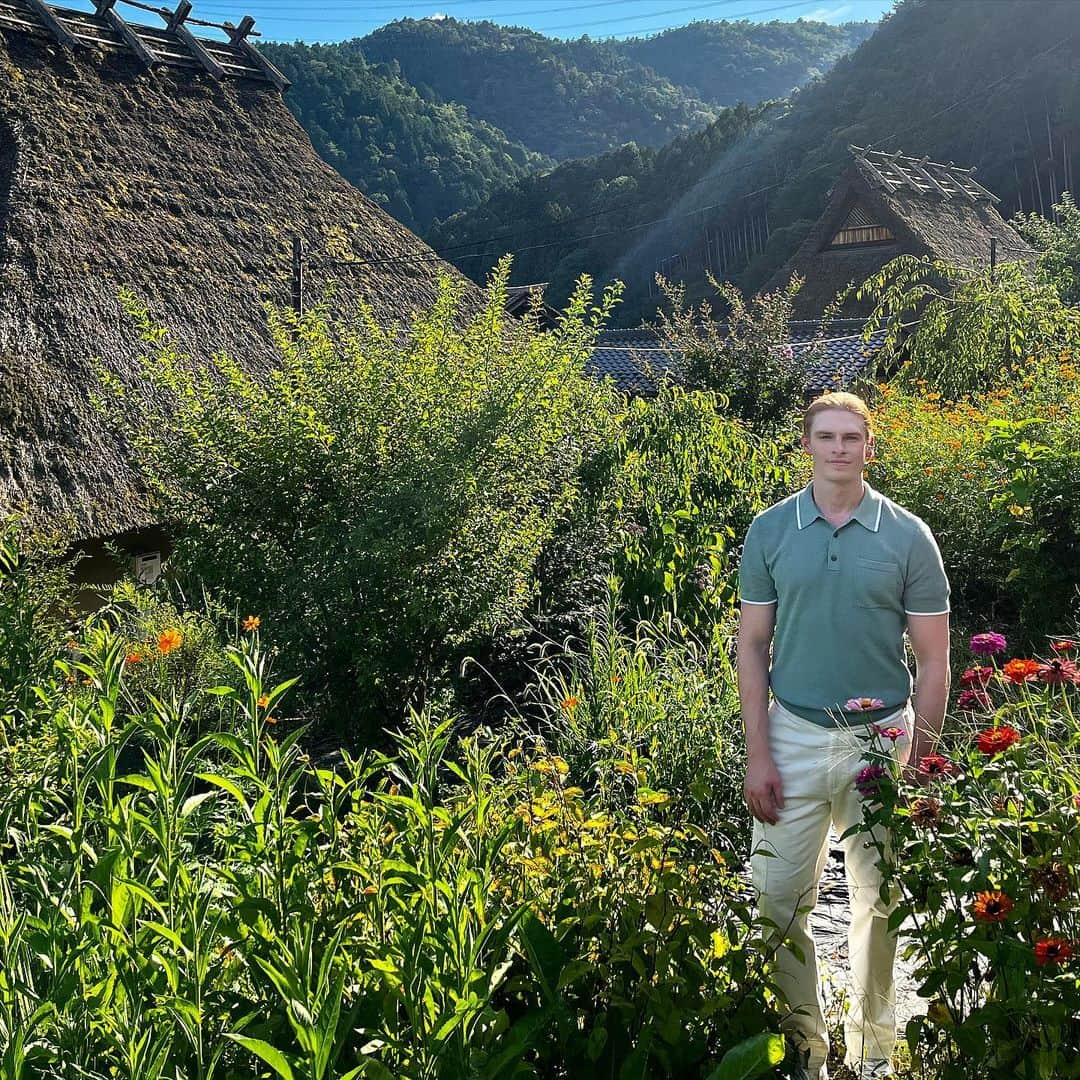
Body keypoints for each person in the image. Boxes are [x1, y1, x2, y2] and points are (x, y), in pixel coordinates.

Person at [736, 392, 951, 1080]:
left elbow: (935, 657)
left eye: (851, 437)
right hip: (792, 734)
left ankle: (873, 1051)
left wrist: (925, 751)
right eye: (826, 436)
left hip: (879, 738)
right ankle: (805, 1045)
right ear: (806, 445)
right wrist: (758, 752)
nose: (838, 448)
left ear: (868, 446)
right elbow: (752, 646)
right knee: (776, 904)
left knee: (878, 901)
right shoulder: (770, 531)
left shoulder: (908, 535)